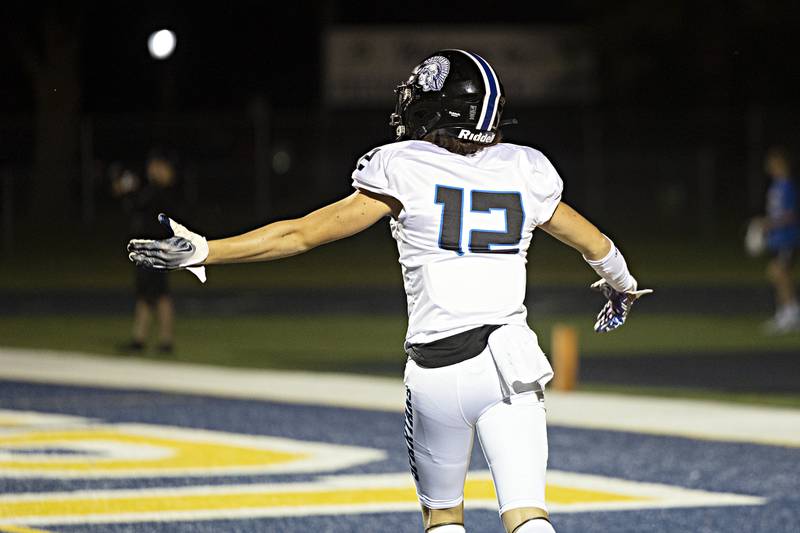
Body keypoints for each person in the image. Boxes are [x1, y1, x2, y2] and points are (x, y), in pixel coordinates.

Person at [128, 50, 650, 533]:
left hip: (435, 370)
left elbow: (301, 233)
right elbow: (598, 245)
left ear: (437, 111)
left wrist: (205, 250)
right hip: (508, 365)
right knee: (528, 516)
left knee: (444, 518)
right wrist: (621, 288)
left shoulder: (401, 167)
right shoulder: (525, 168)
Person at [112, 149, 180, 354]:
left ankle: (165, 340)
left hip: (157, 247)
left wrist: (128, 191)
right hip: (150, 247)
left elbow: (140, 205)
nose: (151, 169)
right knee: (146, 294)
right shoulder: (154, 189)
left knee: (160, 295)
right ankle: (140, 338)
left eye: (156, 165)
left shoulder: (163, 191)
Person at [762, 146, 800, 333]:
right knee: (777, 274)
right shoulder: (776, 186)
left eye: (773, 162)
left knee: (780, 274)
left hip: (787, 238)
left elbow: (791, 215)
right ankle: (785, 312)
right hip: (777, 239)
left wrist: (768, 223)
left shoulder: (788, 186)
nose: (769, 166)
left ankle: (791, 314)